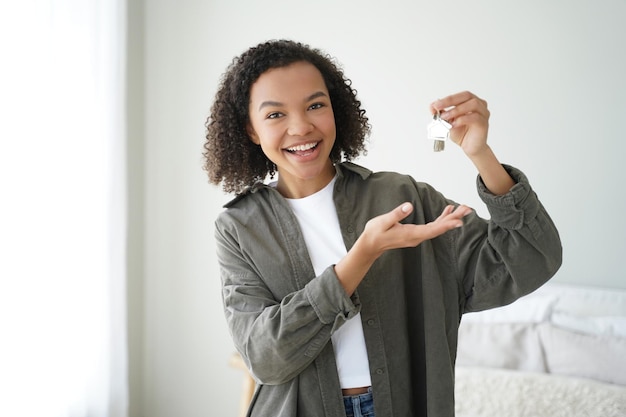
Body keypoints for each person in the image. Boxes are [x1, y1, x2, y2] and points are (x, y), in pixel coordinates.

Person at [203, 39, 562, 417]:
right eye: (275, 115)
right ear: (252, 129)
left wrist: (480, 153)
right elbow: (264, 357)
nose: (301, 126)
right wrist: (362, 255)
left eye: (315, 105)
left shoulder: (401, 197)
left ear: (335, 109)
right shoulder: (239, 228)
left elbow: (532, 260)